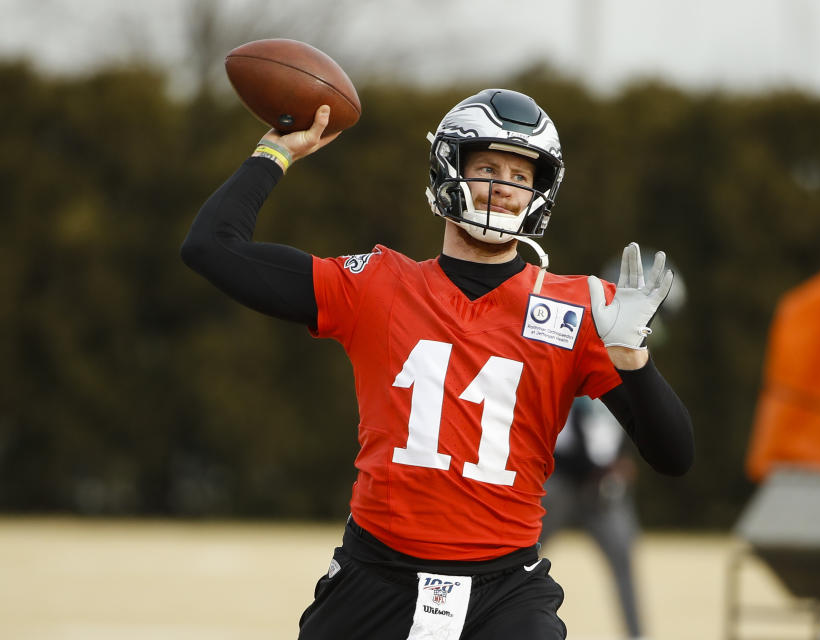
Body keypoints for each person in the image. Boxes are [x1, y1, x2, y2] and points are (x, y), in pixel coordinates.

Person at [181, 88, 694, 640]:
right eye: (488, 168)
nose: (503, 188)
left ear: (539, 192)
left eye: (520, 176)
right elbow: (212, 247)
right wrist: (274, 152)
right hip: (377, 574)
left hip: (505, 590)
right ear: (450, 169)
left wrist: (633, 361)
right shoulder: (378, 284)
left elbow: (674, 455)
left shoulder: (575, 309)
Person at [540, 395, 647, 640]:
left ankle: (637, 635)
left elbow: (626, 427)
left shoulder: (620, 377)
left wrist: (623, 461)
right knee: (521, 552)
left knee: (624, 558)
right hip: (561, 478)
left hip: (603, 485)